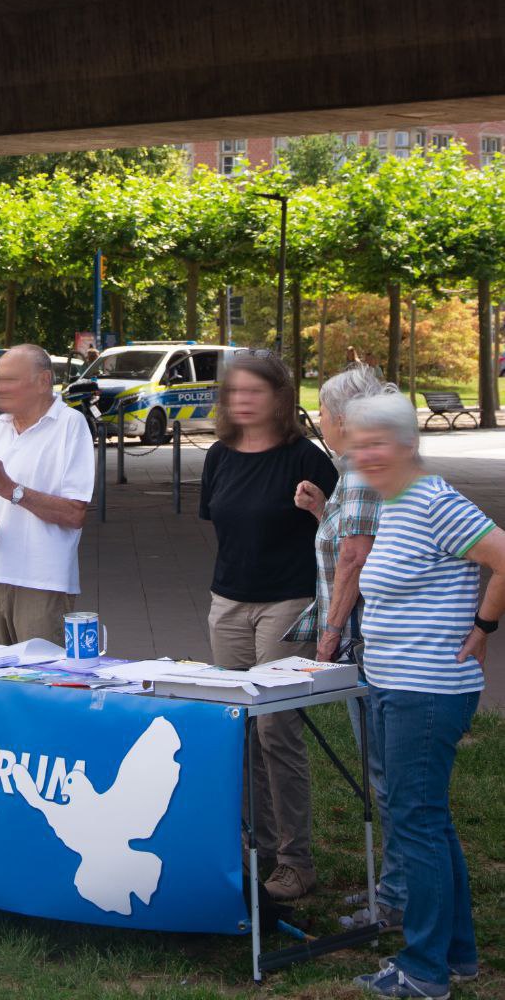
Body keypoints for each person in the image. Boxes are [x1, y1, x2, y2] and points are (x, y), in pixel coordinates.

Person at [345, 393, 505, 999]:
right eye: (358, 445)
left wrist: (483, 629)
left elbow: (504, 557)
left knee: (413, 824)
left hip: (428, 691)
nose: (366, 455)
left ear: (409, 444)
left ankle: (424, 971)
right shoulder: (397, 504)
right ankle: (457, 955)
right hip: (393, 682)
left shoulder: (435, 501)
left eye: (378, 442)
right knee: (425, 821)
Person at [199, 351, 338, 903]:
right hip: (227, 603)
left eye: (255, 391)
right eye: (235, 392)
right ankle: (252, 845)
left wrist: (321, 509)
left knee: (277, 728)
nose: (243, 401)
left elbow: (344, 534)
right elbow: (221, 526)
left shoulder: (306, 457)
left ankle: (294, 860)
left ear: (279, 398)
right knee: (237, 726)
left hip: (289, 600)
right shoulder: (218, 456)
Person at [290, 366, 405, 929]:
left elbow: (355, 558)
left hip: (364, 644)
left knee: (385, 777)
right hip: (375, 641)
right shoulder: (367, 467)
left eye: (324, 414)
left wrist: (328, 638)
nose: (321, 424)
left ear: (343, 417)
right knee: (387, 775)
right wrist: (321, 512)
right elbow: (355, 540)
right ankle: (394, 889)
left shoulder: (359, 469)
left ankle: (397, 899)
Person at [0, 344, 94, 646]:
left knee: (42, 682)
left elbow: (75, 514)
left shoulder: (70, 425)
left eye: (11, 380)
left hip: (42, 580)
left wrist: (12, 490)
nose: (0, 388)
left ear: (43, 381)